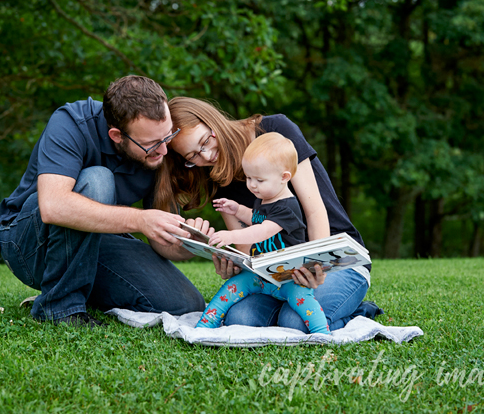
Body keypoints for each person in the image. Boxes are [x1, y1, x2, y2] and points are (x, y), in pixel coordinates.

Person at [0, 76, 207, 327]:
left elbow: (162, 243)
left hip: (94, 243)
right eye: (152, 144)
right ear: (117, 135)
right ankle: (59, 308)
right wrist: (139, 219)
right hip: (27, 244)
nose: (164, 150)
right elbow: (53, 207)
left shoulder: (159, 145)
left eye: (168, 137)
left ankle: (77, 293)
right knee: (97, 180)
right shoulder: (71, 122)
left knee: (184, 303)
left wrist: (188, 243)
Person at [157, 97, 380, 333]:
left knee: (294, 322)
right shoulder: (217, 175)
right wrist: (230, 263)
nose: (207, 156)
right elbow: (246, 246)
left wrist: (317, 268)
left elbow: (315, 212)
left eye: (204, 142)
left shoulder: (276, 132)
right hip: (277, 275)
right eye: (193, 157)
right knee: (240, 319)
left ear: (212, 122)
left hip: (334, 258)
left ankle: (359, 313)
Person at [197, 132, 330, 334]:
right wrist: (237, 210)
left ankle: (322, 334)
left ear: (284, 177)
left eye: (258, 179)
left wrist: (231, 236)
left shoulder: (287, 207)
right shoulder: (265, 196)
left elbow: (262, 231)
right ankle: (204, 327)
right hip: (261, 274)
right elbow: (256, 218)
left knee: (304, 304)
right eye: (248, 177)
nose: (252, 185)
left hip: (289, 276)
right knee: (230, 288)